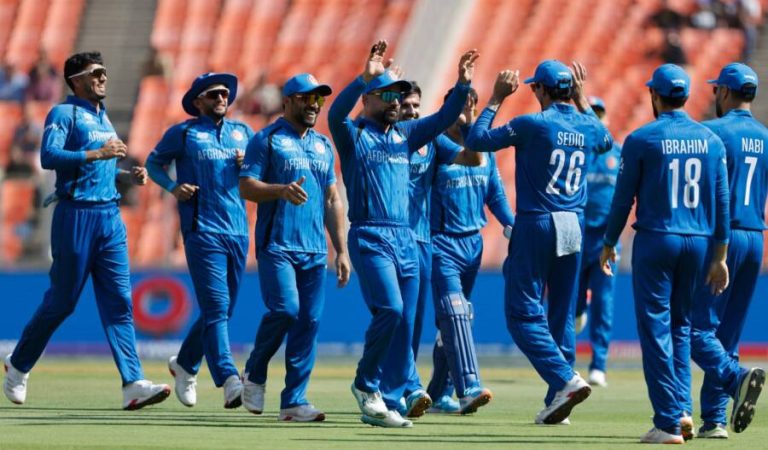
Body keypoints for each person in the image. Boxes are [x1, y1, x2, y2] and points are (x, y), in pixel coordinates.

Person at [2, 51, 170, 410]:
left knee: (120, 302)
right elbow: (49, 156)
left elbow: (101, 167)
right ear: (76, 80)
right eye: (96, 73)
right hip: (76, 215)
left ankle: (132, 383)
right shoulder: (64, 113)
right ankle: (18, 365)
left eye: (105, 72)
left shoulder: (102, 117)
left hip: (109, 217)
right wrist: (98, 154)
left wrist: (127, 175)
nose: (104, 78)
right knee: (62, 302)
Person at [328, 39, 477, 428]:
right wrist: (365, 78)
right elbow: (336, 111)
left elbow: (443, 118)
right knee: (391, 310)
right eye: (388, 95)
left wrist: (462, 86)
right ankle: (367, 385)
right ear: (369, 100)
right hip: (370, 235)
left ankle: (391, 401)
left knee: (405, 323)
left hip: (407, 239)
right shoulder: (354, 134)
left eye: (400, 94)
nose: (396, 101)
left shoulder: (407, 135)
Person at [465, 60, 613, 425]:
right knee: (561, 314)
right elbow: (606, 140)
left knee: (521, 314)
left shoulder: (533, 124)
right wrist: (581, 100)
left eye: (535, 88)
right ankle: (557, 400)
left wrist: (497, 99)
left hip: (538, 221)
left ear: (544, 91)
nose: (533, 92)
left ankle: (564, 380)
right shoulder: (585, 124)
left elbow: (476, 140)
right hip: (574, 225)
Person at [600, 63, 730, 444]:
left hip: (657, 238)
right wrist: (720, 254)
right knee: (681, 328)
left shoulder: (642, 139)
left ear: (654, 96)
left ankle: (668, 421)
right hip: (700, 241)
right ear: (687, 97)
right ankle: (683, 411)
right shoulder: (711, 140)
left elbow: (623, 199)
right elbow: (721, 202)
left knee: (656, 330)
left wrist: (609, 242)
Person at [239, 73, 351, 422]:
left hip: (315, 251)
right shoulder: (267, 139)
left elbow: (333, 199)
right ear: (287, 102)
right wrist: (280, 190)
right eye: (305, 98)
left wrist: (342, 249)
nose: (313, 104)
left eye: (317, 98)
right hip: (278, 245)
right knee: (286, 310)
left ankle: (293, 402)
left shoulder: (323, 145)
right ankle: (255, 372)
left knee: (309, 321)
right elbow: (246, 187)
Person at [146, 72, 253, 410]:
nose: (221, 98)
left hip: (237, 229)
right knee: (217, 307)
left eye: (224, 93)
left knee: (220, 310)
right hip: (202, 228)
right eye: (213, 94)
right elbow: (153, 163)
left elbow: (260, 173)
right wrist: (174, 187)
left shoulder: (243, 132)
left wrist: (248, 166)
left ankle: (186, 364)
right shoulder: (184, 132)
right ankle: (229, 378)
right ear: (198, 102)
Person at [426, 86, 515, 414]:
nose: (466, 113)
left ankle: (438, 394)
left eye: (471, 107)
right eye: (460, 107)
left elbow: (496, 196)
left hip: (472, 245)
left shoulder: (484, 149)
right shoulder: (436, 145)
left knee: (452, 321)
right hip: (441, 242)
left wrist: (511, 228)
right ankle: (469, 385)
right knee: (454, 311)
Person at [398, 82, 483, 417]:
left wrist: (468, 120)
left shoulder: (433, 141)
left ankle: (422, 389)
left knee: (419, 322)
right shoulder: (382, 138)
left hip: (422, 242)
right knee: (400, 315)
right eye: (406, 105)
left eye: (417, 106)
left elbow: (474, 158)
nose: (412, 111)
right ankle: (411, 386)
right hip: (393, 239)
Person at [690, 62, 766, 439]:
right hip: (756, 235)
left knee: (694, 328)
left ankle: (735, 380)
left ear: (723, 92)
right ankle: (715, 419)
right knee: (728, 335)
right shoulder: (766, 137)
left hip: (722, 237)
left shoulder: (711, 132)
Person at [574, 96, 622, 388]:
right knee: (571, 303)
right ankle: (566, 364)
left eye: (599, 114)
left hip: (606, 240)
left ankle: (598, 365)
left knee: (604, 303)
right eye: (590, 113)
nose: (596, 119)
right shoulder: (576, 151)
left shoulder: (616, 153)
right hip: (576, 238)